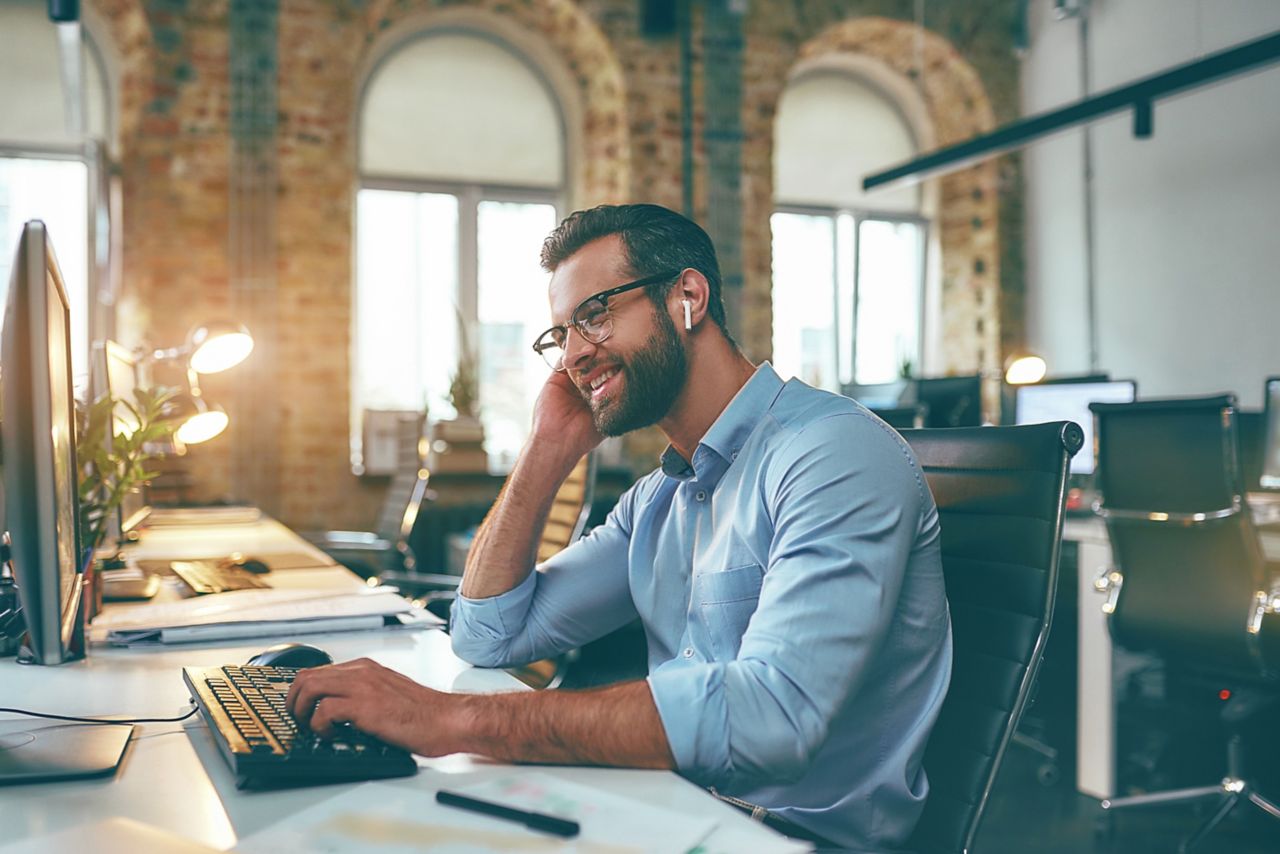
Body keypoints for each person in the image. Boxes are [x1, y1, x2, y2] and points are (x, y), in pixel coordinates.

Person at [287, 203, 951, 852]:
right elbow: (488, 634)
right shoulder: (660, 499)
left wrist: (451, 718)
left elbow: (770, 719)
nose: (574, 355)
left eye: (594, 316)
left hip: (784, 837)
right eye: (560, 335)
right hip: (672, 810)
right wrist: (546, 447)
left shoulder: (831, 453)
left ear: (687, 297)